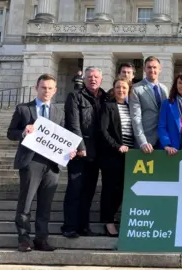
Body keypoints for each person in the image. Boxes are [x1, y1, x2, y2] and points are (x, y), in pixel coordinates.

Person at [7, 74, 76, 252]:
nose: (46, 91)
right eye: (43, 87)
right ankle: (23, 239)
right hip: (31, 162)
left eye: (50, 88)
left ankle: (41, 239)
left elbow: (63, 137)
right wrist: (23, 131)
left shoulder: (59, 112)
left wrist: (70, 149)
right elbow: (10, 132)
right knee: (26, 203)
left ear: (55, 90)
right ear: (36, 88)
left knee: (45, 205)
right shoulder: (23, 109)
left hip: (52, 165)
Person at [62, 66, 109, 238]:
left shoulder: (105, 97)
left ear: (101, 79)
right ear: (85, 79)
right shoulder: (75, 96)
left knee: (89, 191)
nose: (93, 79)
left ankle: (83, 226)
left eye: (96, 77)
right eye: (89, 77)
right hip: (79, 152)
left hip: (97, 153)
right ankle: (69, 227)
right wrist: (80, 146)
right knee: (75, 189)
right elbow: (73, 123)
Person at [99, 77, 135, 237]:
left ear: (129, 90)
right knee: (110, 189)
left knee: (122, 189)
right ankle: (108, 222)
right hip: (113, 155)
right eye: (118, 87)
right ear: (113, 90)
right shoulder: (108, 107)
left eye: (124, 88)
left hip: (129, 155)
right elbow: (103, 131)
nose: (121, 90)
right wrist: (117, 146)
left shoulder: (131, 107)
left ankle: (116, 217)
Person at [130, 56, 169, 153]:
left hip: (163, 141)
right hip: (146, 142)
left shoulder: (165, 89)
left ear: (160, 69)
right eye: (149, 67)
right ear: (144, 69)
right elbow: (136, 118)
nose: (152, 70)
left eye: (155, 67)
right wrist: (142, 142)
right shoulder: (136, 89)